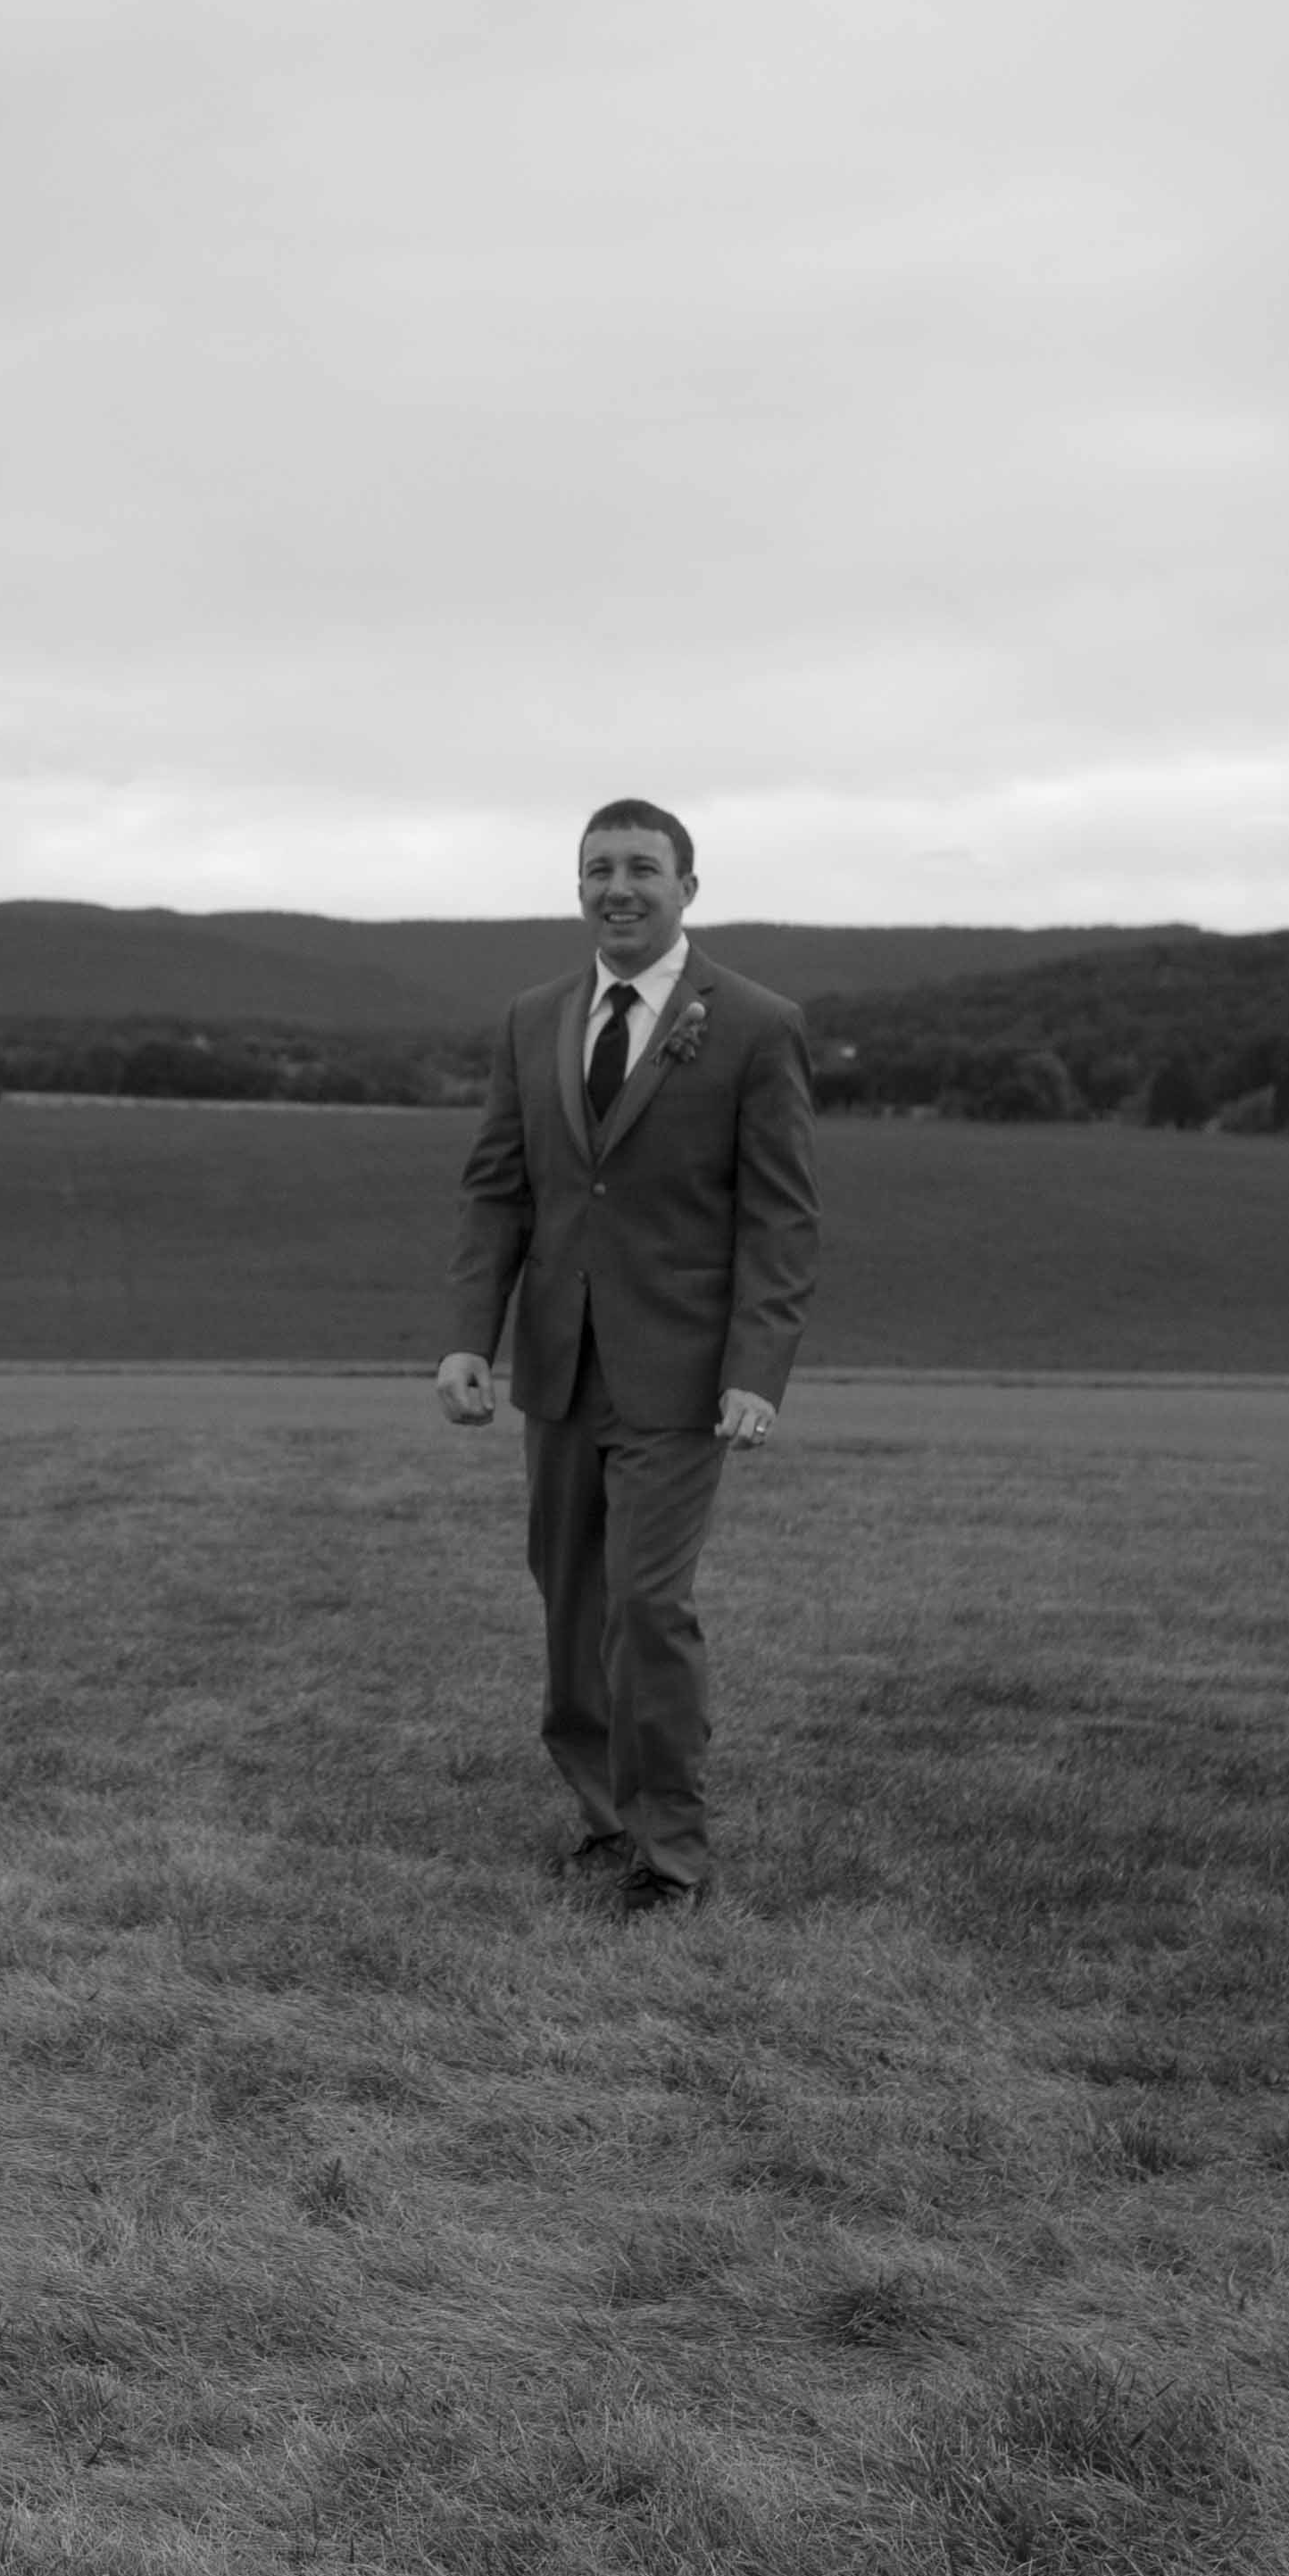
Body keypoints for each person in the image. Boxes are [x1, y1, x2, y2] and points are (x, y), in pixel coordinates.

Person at [436, 798, 821, 1917]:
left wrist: (757, 1366)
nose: (619, 887)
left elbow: (781, 1217)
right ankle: (607, 1817)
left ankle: (671, 1853)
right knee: (570, 1603)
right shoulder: (533, 1019)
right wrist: (469, 1338)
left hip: (682, 1371)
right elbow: (498, 1192)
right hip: (559, 1367)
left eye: (643, 868)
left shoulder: (757, 1024)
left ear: (687, 888)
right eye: (598, 868)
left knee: (646, 1604)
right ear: (578, 888)